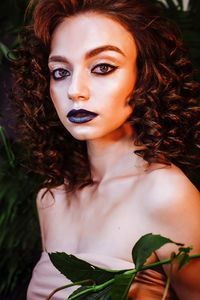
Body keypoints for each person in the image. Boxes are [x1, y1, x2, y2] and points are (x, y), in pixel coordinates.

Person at [11, 0, 200, 299]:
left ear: (144, 76)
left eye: (102, 67)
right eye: (60, 72)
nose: (75, 90)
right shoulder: (52, 199)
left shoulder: (167, 195)